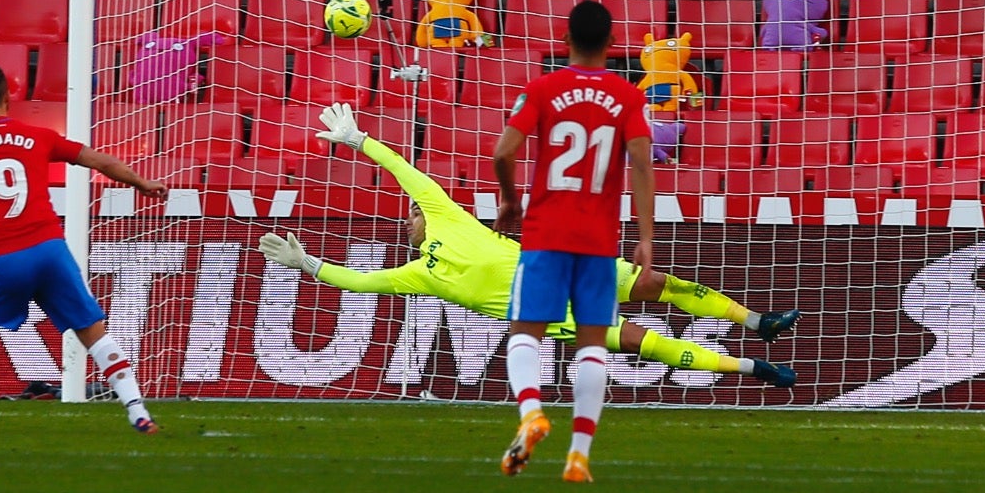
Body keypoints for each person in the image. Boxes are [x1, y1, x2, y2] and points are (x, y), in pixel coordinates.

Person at [257, 105, 798, 385]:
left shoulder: (447, 214)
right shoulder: (418, 273)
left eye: (415, 213)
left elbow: (407, 173)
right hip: (551, 313)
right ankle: (754, 370)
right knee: (642, 342)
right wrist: (308, 262)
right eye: (411, 217)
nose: (412, 217)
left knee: (665, 284)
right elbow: (361, 281)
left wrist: (360, 142)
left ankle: (758, 323)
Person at [0, 64, 170, 432]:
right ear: (8, 96)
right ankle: (138, 412)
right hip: (49, 248)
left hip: (2, 254)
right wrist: (141, 183)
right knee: (93, 332)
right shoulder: (39, 136)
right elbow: (99, 160)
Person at [495, 0, 652, 483]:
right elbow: (643, 165)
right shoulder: (628, 97)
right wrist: (645, 238)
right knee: (592, 348)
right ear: (611, 44)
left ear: (565, 40)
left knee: (526, 335)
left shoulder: (542, 88)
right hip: (599, 240)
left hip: (546, 235)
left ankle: (531, 414)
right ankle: (578, 457)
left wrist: (511, 201)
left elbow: (503, 151)